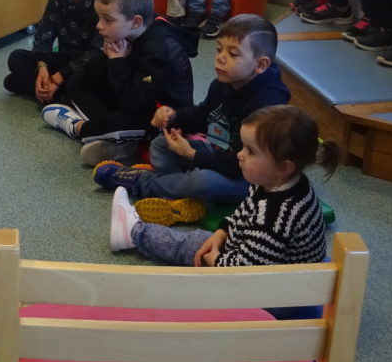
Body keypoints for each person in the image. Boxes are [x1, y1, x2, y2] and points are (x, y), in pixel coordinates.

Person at [90, 14, 290, 222]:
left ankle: (142, 182)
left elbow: (242, 166)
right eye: (219, 49)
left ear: (261, 65)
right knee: (160, 144)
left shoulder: (267, 105)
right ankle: (183, 197)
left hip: (248, 178)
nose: (220, 57)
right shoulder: (224, 81)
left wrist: (193, 155)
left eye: (233, 54)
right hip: (214, 154)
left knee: (203, 181)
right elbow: (203, 115)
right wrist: (174, 116)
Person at [109, 104, 337, 271]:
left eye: (251, 151)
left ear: (284, 167)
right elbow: (243, 213)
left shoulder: (277, 217)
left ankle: (132, 233)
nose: (239, 154)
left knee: (186, 245)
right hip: (249, 259)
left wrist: (215, 259)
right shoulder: (273, 183)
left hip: (270, 295)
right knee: (202, 239)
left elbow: (243, 273)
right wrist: (222, 231)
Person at [41, 0, 196, 142]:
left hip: (159, 118)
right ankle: (109, 136)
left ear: (136, 22)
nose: (99, 25)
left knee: (118, 122)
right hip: (132, 94)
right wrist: (113, 60)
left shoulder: (158, 52)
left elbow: (135, 104)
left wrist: (117, 62)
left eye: (107, 19)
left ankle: (78, 127)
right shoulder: (132, 31)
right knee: (80, 78)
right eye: (99, 17)